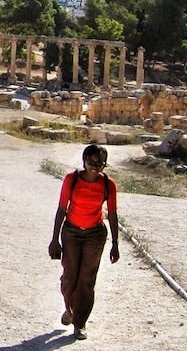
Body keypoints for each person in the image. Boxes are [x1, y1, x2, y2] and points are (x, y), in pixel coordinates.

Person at [48, 144, 119, 341]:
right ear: (84, 161)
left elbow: (112, 213)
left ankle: (80, 323)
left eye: (100, 163)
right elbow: (62, 209)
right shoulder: (72, 180)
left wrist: (115, 243)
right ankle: (69, 309)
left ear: (104, 165)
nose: (95, 167)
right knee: (69, 278)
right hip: (71, 232)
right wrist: (54, 239)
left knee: (86, 281)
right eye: (91, 162)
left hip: (95, 234)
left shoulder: (108, 185)